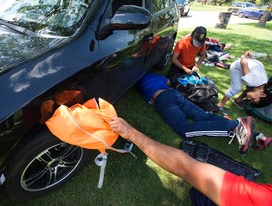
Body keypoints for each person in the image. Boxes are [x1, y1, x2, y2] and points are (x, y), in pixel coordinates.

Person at [109, 117, 272, 206]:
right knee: (198, 193)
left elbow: (184, 167)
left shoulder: (262, 198)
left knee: (198, 193)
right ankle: (236, 125)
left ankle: (235, 125)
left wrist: (130, 133)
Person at [137, 73, 272, 153]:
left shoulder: (137, 80)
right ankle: (257, 135)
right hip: (174, 94)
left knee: (184, 129)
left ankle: (237, 125)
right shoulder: (156, 76)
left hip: (162, 100)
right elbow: (168, 82)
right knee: (203, 115)